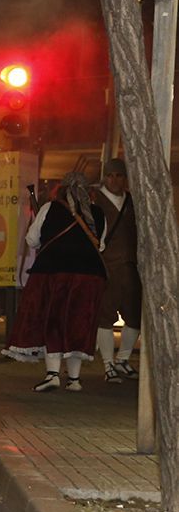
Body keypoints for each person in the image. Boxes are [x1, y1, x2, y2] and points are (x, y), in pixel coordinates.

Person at [6, 171, 107, 392]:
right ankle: (74, 379)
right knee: (78, 323)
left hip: (54, 274)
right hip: (89, 278)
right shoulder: (98, 213)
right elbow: (100, 246)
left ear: (61, 189)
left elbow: (32, 239)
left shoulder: (50, 208)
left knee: (53, 320)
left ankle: (52, 374)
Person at [93, 158, 141, 383]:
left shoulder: (132, 201)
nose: (114, 180)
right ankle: (108, 363)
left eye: (119, 175)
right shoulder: (95, 200)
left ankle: (122, 359)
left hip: (130, 267)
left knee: (135, 315)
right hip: (105, 267)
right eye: (111, 175)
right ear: (105, 177)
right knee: (105, 316)